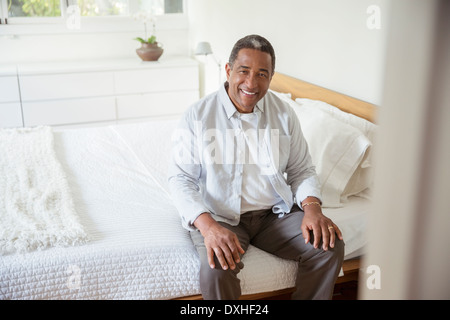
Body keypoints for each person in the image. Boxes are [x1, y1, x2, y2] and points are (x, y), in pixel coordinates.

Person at [168, 34, 344, 300]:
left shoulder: (284, 113)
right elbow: (181, 180)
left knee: (329, 246)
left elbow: (301, 169)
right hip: (220, 216)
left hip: (274, 216)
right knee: (216, 269)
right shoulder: (198, 115)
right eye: (244, 71)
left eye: (262, 74)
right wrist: (208, 228)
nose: (251, 83)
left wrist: (312, 209)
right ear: (228, 71)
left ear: (271, 77)